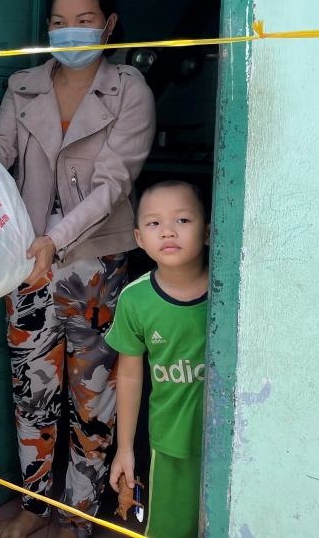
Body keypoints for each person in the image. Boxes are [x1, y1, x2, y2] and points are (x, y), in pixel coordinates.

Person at [0, 0, 156, 538]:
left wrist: (56, 239)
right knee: (32, 387)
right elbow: (0, 152)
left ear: (109, 25)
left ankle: (81, 513)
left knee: (94, 391)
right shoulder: (24, 85)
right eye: (59, 23)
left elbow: (112, 185)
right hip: (28, 261)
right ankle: (34, 505)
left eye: (85, 22)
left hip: (94, 263)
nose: (70, 32)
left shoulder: (129, 90)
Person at [106, 180, 209, 538]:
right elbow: (131, 377)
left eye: (182, 220)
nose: (167, 231)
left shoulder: (233, 287)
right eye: (153, 224)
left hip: (226, 440)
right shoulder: (135, 301)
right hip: (169, 446)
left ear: (208, 232)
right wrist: (125, 449)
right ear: (138, 237)